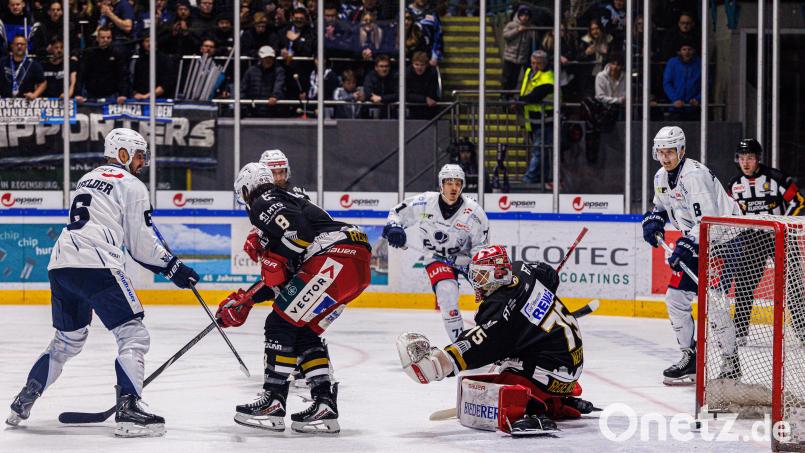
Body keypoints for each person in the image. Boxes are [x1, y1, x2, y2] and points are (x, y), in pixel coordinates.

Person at [5, 128, 199, 436]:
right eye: (138, 155)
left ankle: (25, 397)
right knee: (133, 335)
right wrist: (175, 268)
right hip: (97, 263)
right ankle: (129, 410)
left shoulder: (87, 178)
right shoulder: (131, 185)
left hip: (61, 264)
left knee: (66, 341)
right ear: (122, 153)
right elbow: (141, 245)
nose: (141, 162)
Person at [215, 163, 372, 434]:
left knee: (279, 324)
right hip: (353, 263)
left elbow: (302, 234)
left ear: (245, 189)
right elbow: (287, 281)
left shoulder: (263, 200)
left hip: (334, 258)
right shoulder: (289, 203)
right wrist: (248, 300)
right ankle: (324, 404)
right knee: (304, 332)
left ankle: (273, 401)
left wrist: (273, 257)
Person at [395, 245, 595, 435]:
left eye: (481, 275)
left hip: (554, 371)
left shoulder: (499, 310)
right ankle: (561, 400)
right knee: (511, 362)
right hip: (568, 367)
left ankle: (538, 412)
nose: (477, 282)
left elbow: (476, 345)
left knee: (506, 379)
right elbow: (548, 275)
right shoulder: (520, 269)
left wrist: (437, 365)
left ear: (497, 275)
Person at [641, 126, 742, 385]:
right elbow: (660, 206)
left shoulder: (694, 176)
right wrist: (654, 219)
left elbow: (709, 221)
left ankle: (731, 363)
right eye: (660, 152)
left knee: (715, 303)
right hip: (698, 240)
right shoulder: (661, 177)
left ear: (682, 150)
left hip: (724, 240)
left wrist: (686, 246)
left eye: (670, 152)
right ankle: (690, 357)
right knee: (675, 299)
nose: (665, 157)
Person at [383, 164, 489, 341]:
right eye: (449, 182)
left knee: (492, 297)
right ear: (441, 184)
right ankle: (461, 345)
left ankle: (495, 339)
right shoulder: (425, 203)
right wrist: (395, 228)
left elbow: (481, 248)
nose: (453, 187)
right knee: (447, 294)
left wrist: (479, 273)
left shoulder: (475, 213)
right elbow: (396, 213)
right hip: (437, 259)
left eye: (457, 183)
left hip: (467, 260)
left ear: (462, 186)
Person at [726, 139, 805, 360]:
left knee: (793, 283)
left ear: (758, 158)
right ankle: (740, 331)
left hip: (780, 237)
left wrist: (782, 223)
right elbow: (729, 210)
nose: (746, 162)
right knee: (743, 285)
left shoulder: (776, 178)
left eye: (750, 157)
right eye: (742, 158)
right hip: (751, 240)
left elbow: (798, 201)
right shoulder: (734, 184)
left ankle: (802, 330)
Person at [518, 50, 554, 184]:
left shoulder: (548, 77)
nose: (535, 66)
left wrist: (519, 100)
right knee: (541, 151)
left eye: (538, 63)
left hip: (546, 119)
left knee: (538, 150)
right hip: (533, 119)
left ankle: (529, 177)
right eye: (533, 63)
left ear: (545, 63)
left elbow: (535, 95)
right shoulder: (529, 73)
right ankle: (542, 177)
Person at [78, 26, 129, 103]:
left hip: (111, 95)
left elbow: (122, 75)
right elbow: (81, 74)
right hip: (91, 94)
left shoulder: (117, 53)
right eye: (103, 37)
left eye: (108, 38)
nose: (106, 40)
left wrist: (122, 94)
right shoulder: (89, 53)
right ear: (97, 38)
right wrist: (78, 93)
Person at [501, 5, 538, 96]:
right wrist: (518, 30)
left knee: (515, 80)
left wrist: (532, 31)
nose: (524, 18)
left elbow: (536, 39)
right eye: (522, 15)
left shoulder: (530, 27)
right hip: (509, 57)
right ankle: (503, 97)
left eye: (526, 16)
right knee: (506, 79)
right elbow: (506, 35)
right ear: (518, 16)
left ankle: (510, 98)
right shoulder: (511, 25)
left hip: (521, 58)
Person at [240, 45, 286, 117]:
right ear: (260, 58)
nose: (268, 60)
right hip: (253, 111)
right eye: (265, 58)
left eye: (270, 58)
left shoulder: (279, 71)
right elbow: (243, 89)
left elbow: (279, 85)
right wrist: (245, 106)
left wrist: (275, 96)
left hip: (273, 111)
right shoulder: (251, 71)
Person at [662, 42, 700, 121]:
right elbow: (667, 83)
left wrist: (698, 99)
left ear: (693, 51)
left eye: (689, 49)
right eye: (684, 49)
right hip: (676, 108)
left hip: (693, 107)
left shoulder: (699, 63)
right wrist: (675, 99)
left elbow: (706, 84)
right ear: (679, 51)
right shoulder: (673, 63)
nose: (687, 52)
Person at [0, 34, 45, 99]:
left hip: (26, 105)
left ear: (26, 46)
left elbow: (43, 83)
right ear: (12, 46)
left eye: (22, 44)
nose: (19, 46)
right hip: (4, 105)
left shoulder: (33, 64)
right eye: (17, 44)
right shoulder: (2, 62)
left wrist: (34, 95)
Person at [406, 50, 439, 119]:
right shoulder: (407, 73)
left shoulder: (432, 73)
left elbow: (432, 93)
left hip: (428, 109)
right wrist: (424, 99)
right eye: (416, 65)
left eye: (422, 65)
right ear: (412, 64)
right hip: (412, 109)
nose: (419, 68)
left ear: (426, 65)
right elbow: (406, 94)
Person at [362, 54, 397, 119]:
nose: (384, 69)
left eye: (386, 66)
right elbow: (367, 92)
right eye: (381, 66)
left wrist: (381, 98)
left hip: (390, 110)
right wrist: (372, 97)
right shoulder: (370, 76)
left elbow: (397, 95)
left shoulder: (394, 77)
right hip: (373, 109)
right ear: (376, 67)